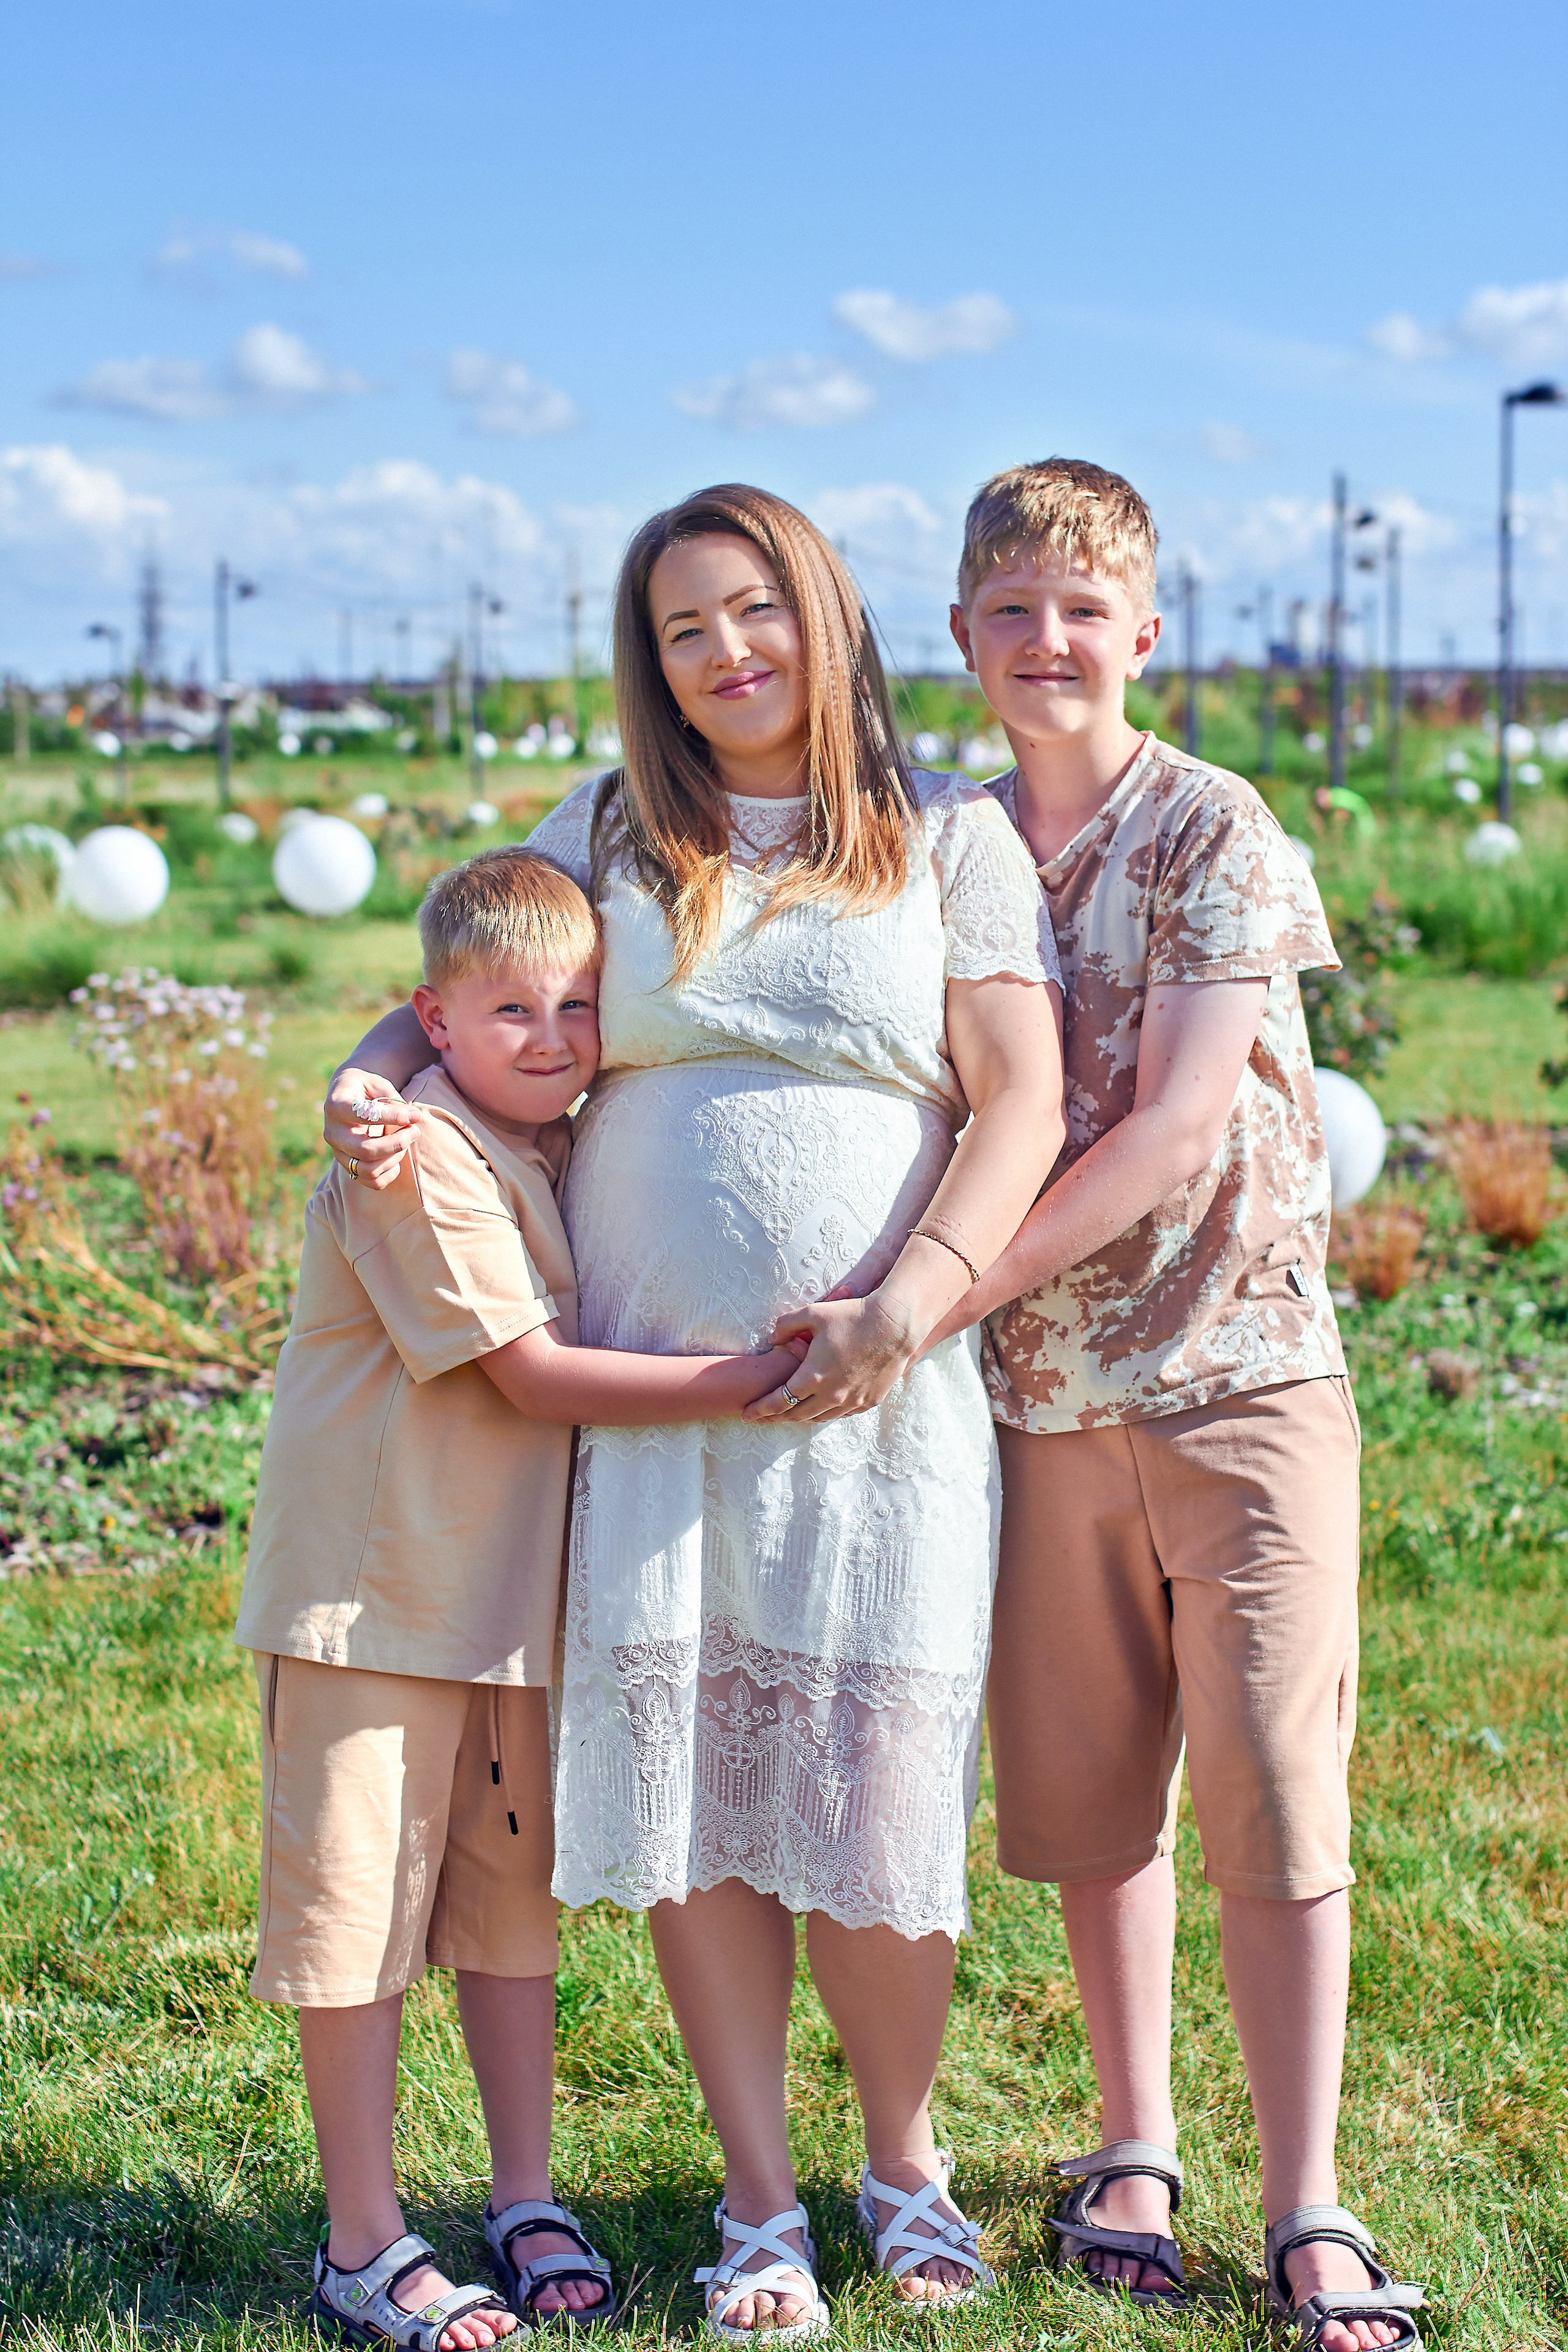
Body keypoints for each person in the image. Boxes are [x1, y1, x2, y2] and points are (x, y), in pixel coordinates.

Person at [323, 485, 1065, 2336]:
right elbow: (463, 974)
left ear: (823, 618)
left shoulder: (944, 842)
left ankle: (903, 2166)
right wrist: (371, 1065)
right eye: (683, 630)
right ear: (648, 665)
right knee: (701, 1802)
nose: (728, 653)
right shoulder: (610, 830)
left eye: (757, 612)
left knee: (876, 1798)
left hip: (876, 1401)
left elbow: (1026, 1105)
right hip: (657, 1405)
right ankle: (756, 2203)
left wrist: (913, 1297)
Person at [918, 458, 1427, 2352]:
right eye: (1010, 610)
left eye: (1083, 609)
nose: (1048, 642)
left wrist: (929, 1296)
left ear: (1144, 633)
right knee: (1090, 1797)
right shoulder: (947, 846)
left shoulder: (1215, 829)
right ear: (962, 636)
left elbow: (1177, 1124)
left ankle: (1311, 2195)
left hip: (1238, 1378)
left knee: (1278, 1796)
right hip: (1044, 1406)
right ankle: (1135, 2142)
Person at [241, 847, 810, 2346]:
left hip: (499, 1612)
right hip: (374, 1604)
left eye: (577, 1005)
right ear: (436, 1021)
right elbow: (531, 1376)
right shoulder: (415, 1154)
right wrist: (761, 1376)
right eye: (511, 1011)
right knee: (356, 1914)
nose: (552, 1036)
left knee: (507, 1916)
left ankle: (521, 2190)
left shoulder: (548, 1136)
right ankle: (361, 2239)